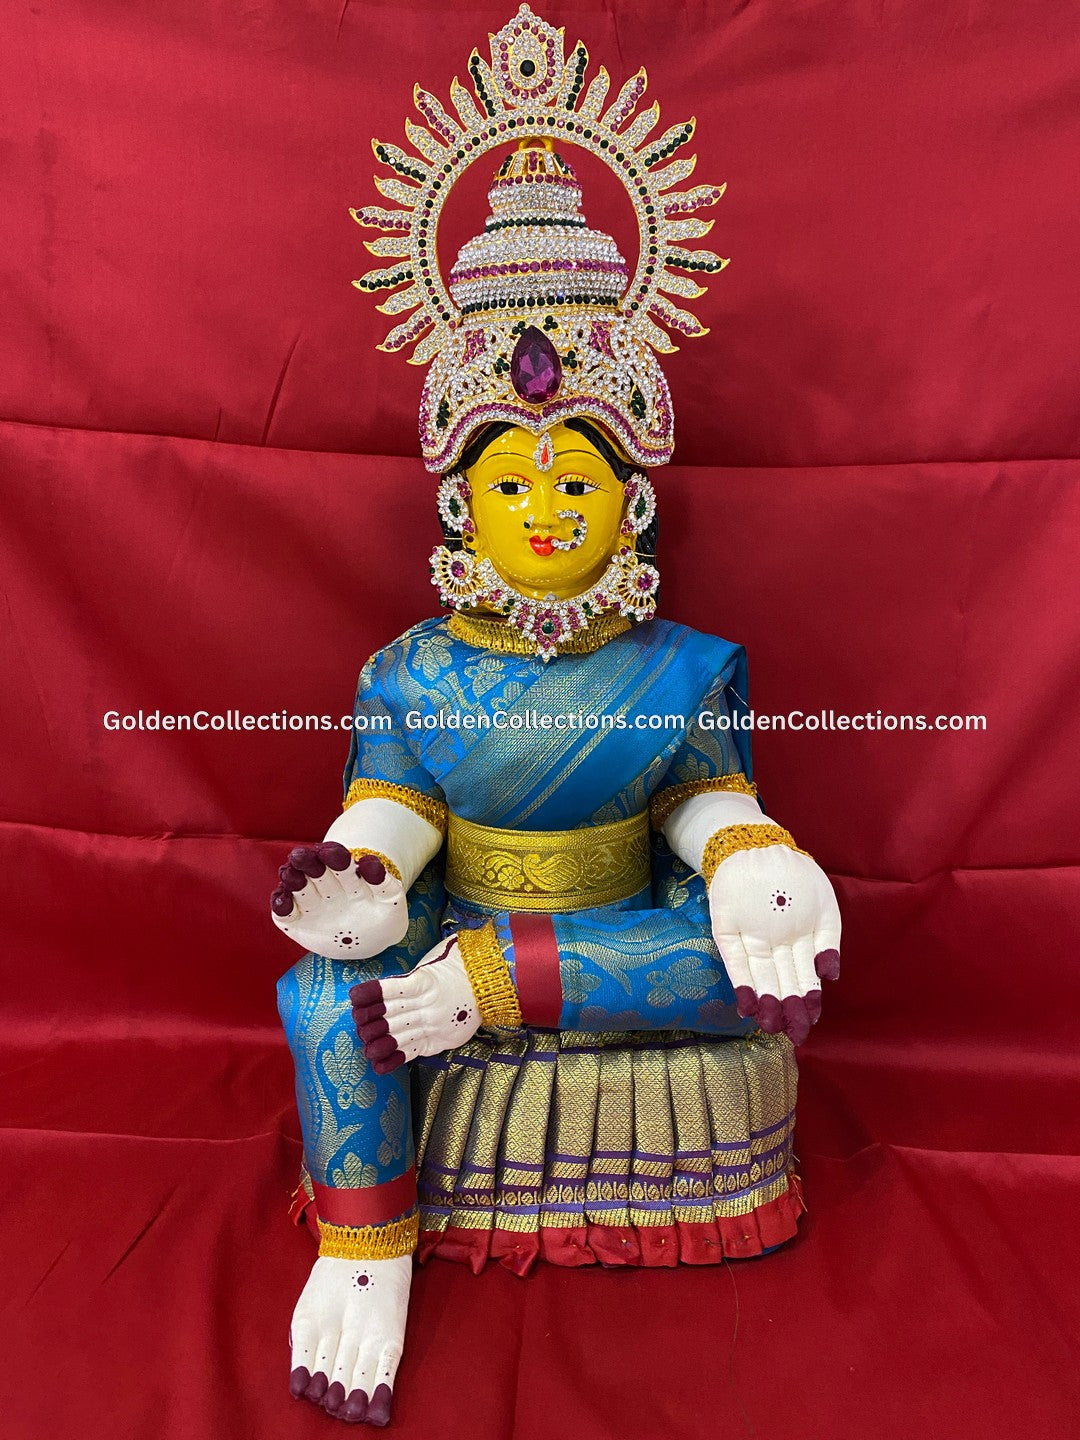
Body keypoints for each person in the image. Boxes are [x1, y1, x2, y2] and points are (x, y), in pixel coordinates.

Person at [271, 9, 841, 1426]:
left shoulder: (682, 668)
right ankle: (364, 1249)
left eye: (575, 484)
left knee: (756, 959)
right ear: (461, 507)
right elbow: (391, 805)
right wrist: (366, 879)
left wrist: (754, 860)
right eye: (512, 487)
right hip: (453, 919)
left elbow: (707, 805)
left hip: (616, 931)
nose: (544, 511)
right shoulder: (410, 669)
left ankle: (502, 987)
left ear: (630, 502)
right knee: (325, 994)